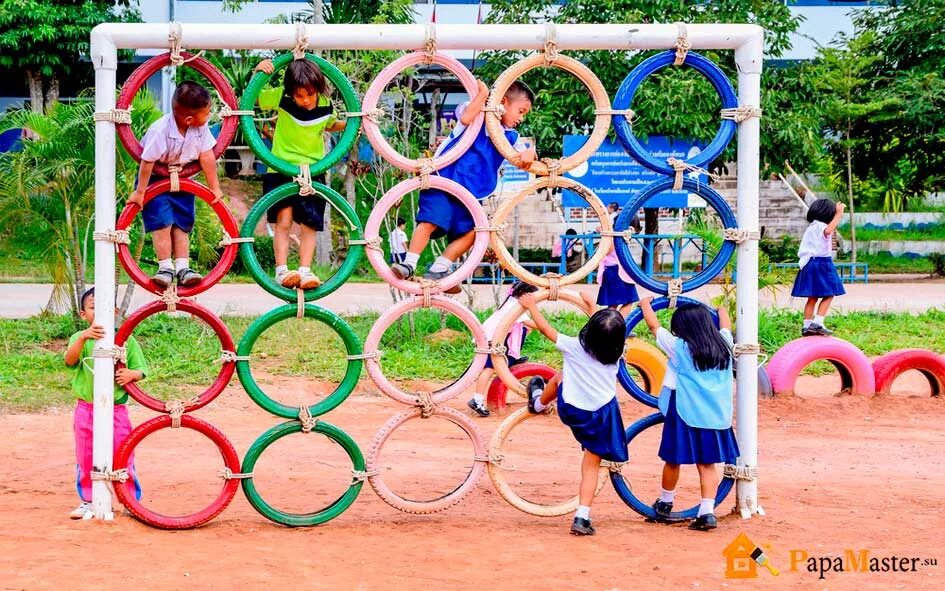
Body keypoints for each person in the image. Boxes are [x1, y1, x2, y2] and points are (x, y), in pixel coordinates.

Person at [390, 80, 537, 294]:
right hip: (444, 181)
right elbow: (467, 116)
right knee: (430, 221)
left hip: (470, 194)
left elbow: (525, 157)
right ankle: (409, 263)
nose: (521, 118)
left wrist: (529, 153)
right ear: (503, 102)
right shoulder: (476, 115)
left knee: (474, 233)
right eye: (520, 111)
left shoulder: (510, 137)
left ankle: (439, 270)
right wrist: (485, 95)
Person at [522, 294, 629, 536]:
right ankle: (582, 516)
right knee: (591, 467)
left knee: (559, 377)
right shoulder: (618, 351)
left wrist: (531, 306)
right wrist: (593, 307)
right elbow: (605, 333)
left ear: (588, 331)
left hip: (573, 410)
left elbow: (546, 329)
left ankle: (538, 403)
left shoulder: (573, 347)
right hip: (603, 416)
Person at [638, 297, 739, 532]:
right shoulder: (724, 344)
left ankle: (665, 502)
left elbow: (655, 327)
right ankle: (707, 511)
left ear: (682, 329)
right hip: (715, 415)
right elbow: (726, 325)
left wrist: (645, 305)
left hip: (684, 411)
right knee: (707, 464)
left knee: (673, 459)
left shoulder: (680, 347)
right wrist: (721, 309)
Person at [253, 57, 347, 289]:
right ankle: (282, 271)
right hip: (281, 168)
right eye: (299, 95)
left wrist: (354, 122)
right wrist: (259, 71)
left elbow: (329, 124)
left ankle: (305, 271)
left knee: (309, 224)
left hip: (312, 171)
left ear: (318, 88)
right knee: (283, 220)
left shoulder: (325, 103)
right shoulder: (281, 96)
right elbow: (257, 96)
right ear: (290, 92)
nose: (305, 100)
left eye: (310, 94)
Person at [128, 81, 224, 289]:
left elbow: (207, 156)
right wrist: (140, 192)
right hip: (155, 178)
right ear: (189, 119)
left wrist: (214, 187)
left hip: (183, 179)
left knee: (181, 225)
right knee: (162, 225)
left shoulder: (200, 129)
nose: (209, 117)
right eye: (206, 114)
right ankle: (165, 268)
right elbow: (147, 162)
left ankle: (183, 268)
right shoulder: (160, 131)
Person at [64, 287, 147, 519]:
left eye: (104, 308)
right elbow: (70, 361)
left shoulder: (126, 341)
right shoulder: (78, 338)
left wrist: (132, 374)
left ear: (115, 311)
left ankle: (130, 500)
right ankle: (89, 500)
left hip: (116, 410)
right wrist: (82, 338)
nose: (99, 313)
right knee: (85, 455)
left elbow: (141, 369)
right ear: (83, 314)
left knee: (123, 453)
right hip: (86, 408)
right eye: (93, 308)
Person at [467, 281, 538, 417]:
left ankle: (512, 357)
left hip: (492, 339)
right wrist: (547, 327)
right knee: (488, 369)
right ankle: (477, 399)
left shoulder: (511, 302)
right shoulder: (514, 306)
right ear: (524, 295)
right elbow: (532, 323)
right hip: (489, 340)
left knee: (524, 329)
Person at [791, 198, 846, 336]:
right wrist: (839, 214)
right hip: (822, 263)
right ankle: (818, 322)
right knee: (830, 293)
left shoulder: (812, 227)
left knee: (813, 297)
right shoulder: (822, 226)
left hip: (808, 263)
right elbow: (828, 231)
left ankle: (807, 325)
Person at [595, 202, 641, 311]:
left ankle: (614, 324)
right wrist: (615, 237)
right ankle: (614, 325)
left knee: (620, 303)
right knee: (621, 302)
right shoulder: (614, 236)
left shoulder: (617, 236)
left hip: (616, 271)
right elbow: (607, 250)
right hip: (614, 271)